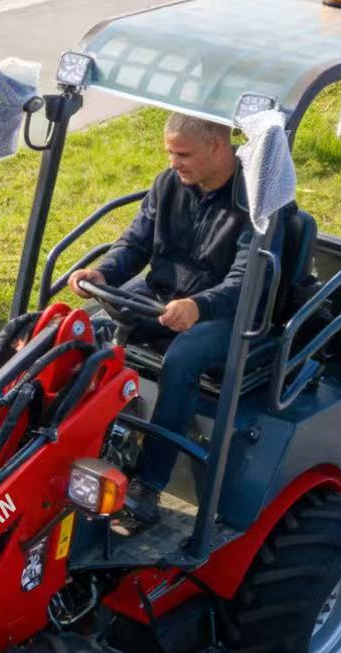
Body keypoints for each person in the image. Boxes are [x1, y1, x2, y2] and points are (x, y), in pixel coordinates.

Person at [67, 112, 252, 536]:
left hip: (229, 313)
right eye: (169, 152)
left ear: (217, 146)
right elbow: (135, 243)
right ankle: (83, 441)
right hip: (165, 295)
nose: (173, 162)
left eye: (182, 154)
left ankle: (148, 486)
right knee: (90, 329)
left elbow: (245, 281)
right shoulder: (169, 184)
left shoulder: (256, 202)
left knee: (183, 358)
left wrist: (199, 306)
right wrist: (104, 273)